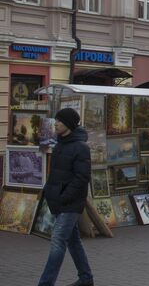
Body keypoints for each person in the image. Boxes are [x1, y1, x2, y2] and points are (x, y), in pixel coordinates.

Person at [38, 108, 94, 286]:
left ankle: (45, 283)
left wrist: (64, 196)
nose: (56, 124)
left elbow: (82, 177)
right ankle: (86, 278)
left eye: (59, 121)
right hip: (58, 200)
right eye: (56, 121)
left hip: (71, 203)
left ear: (68, 124)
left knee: (57, 241)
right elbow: (55, 174)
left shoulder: (81, 148)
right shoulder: (60, 144)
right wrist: (48, 191)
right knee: (73, 241)